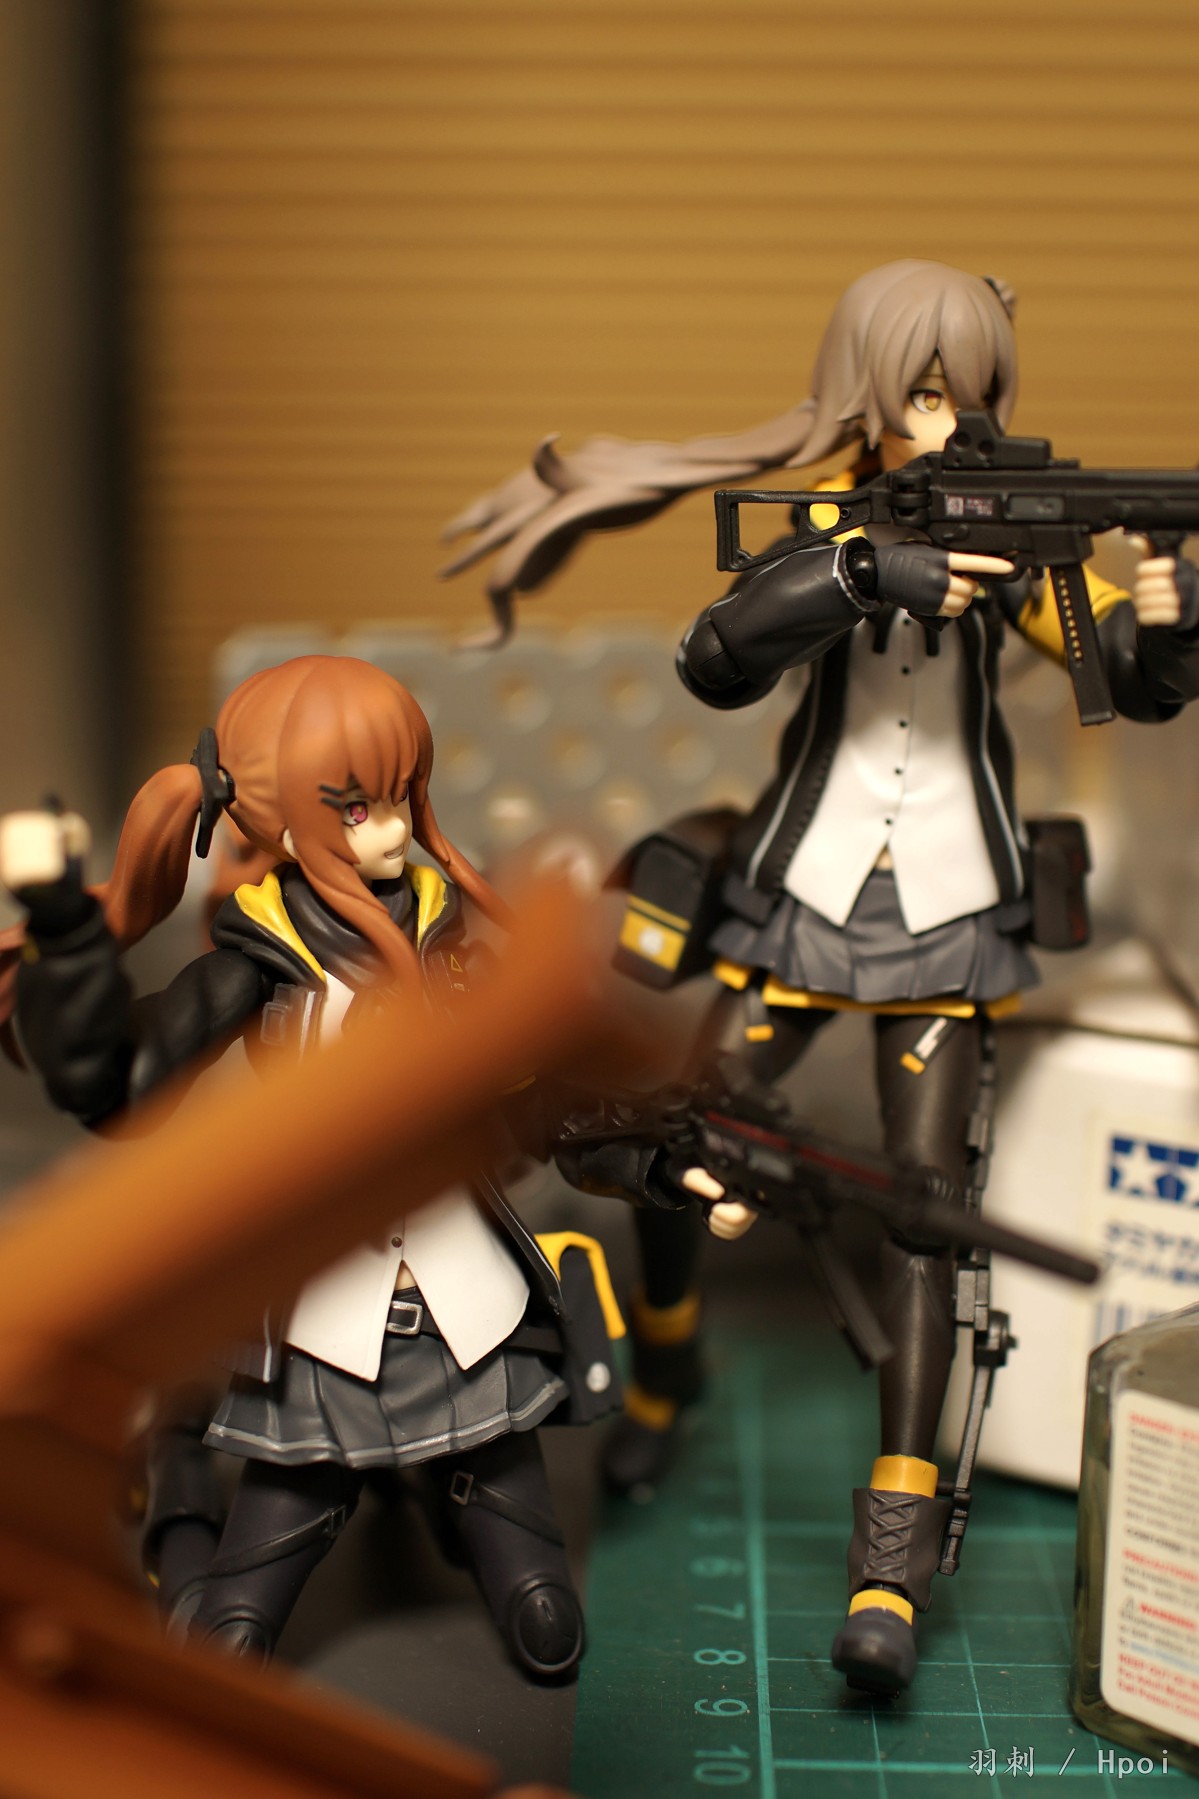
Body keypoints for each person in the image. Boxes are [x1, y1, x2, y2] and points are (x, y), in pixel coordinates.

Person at [442, 259, 1199, 1694]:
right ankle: (667, 1367)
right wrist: (863, 571)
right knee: (681, 1125)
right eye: (924, 392)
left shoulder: (1007, 535)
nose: (948, 420)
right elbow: (714, 655)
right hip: (799, 900)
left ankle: (888, 1566)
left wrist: (1161, 616)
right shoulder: (830, 521)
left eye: (970, 393)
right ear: (866, 391)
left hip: (947, 916)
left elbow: (1122, 671)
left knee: (925, 1216)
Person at [0, 654, 625, 1681]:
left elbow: (533, 1099)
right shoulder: (261, 965)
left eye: (402, 797)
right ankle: (224, 1567)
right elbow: (122, 1085)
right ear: (284, 825)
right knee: (241, 1611)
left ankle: (492, 1536)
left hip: (463, 1298)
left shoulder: (449, 942)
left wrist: (634, 1143)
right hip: (326, 1316)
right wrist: (70, 945)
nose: (392, 829)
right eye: (358, 808)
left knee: (536, 1582)